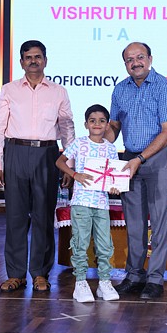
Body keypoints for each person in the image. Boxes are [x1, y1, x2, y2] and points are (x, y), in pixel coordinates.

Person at [0, 40, 74, 293]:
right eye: (28, 57)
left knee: (43, 217)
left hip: (47, 154)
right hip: (15, 152)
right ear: (21, 62)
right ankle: (15, 274)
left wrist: (69, 164)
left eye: (38, 57)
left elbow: (67, 129)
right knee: (15, 217)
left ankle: (40, 273)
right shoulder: (8, 90)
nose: (33, 61)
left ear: (45, 61)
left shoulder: (58, 92)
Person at [106, 42, 167, 300]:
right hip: (129, 160)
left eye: (140, 57)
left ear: (150, 58)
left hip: (159, 159)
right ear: (125, 64)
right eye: (129, 59)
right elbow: (114, 127)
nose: (135, 63)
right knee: (134, 221)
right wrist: (97, 143)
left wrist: (140, 158)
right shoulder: (120, 89)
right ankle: (134, 275)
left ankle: (155, 279)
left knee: (159, 222)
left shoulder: (164, 87)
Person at [55, 104, 120, 303]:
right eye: (92, 121)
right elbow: (60, 161)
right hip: (81, 202)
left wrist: (114, 187)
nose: (97, 124)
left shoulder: (110, 148)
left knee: (104, 244)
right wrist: (75, 174)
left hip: (101, 203)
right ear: (86, 124)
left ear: (107, 125)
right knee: (80, 242)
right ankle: (81, 282)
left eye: (101, 121)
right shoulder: (79, 143)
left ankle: (104, 281)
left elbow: (115, 175)